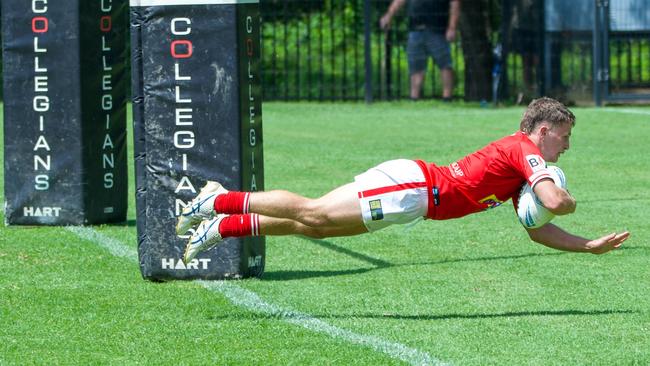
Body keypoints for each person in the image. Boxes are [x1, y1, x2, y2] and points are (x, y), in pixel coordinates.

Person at [177, 97, 630, 264]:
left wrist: (586, 245)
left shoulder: (520, 171)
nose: (566, 148)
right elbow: (553, 199)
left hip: (415, 201)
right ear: (544, 130)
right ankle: (219, 200)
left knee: (313, 227)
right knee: (313, 210)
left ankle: (225, 226)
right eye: (564, 138)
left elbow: (538, 229)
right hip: (412, 186)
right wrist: (561, 194)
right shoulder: (525, 151)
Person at [379, 0, 460, 101]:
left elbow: (455, 4)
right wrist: (389, 15)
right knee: (415, 67)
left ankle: (447, 98)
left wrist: (452, 27)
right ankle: (414, 99)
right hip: (415, 29)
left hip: (437, 29)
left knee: (444, 64)